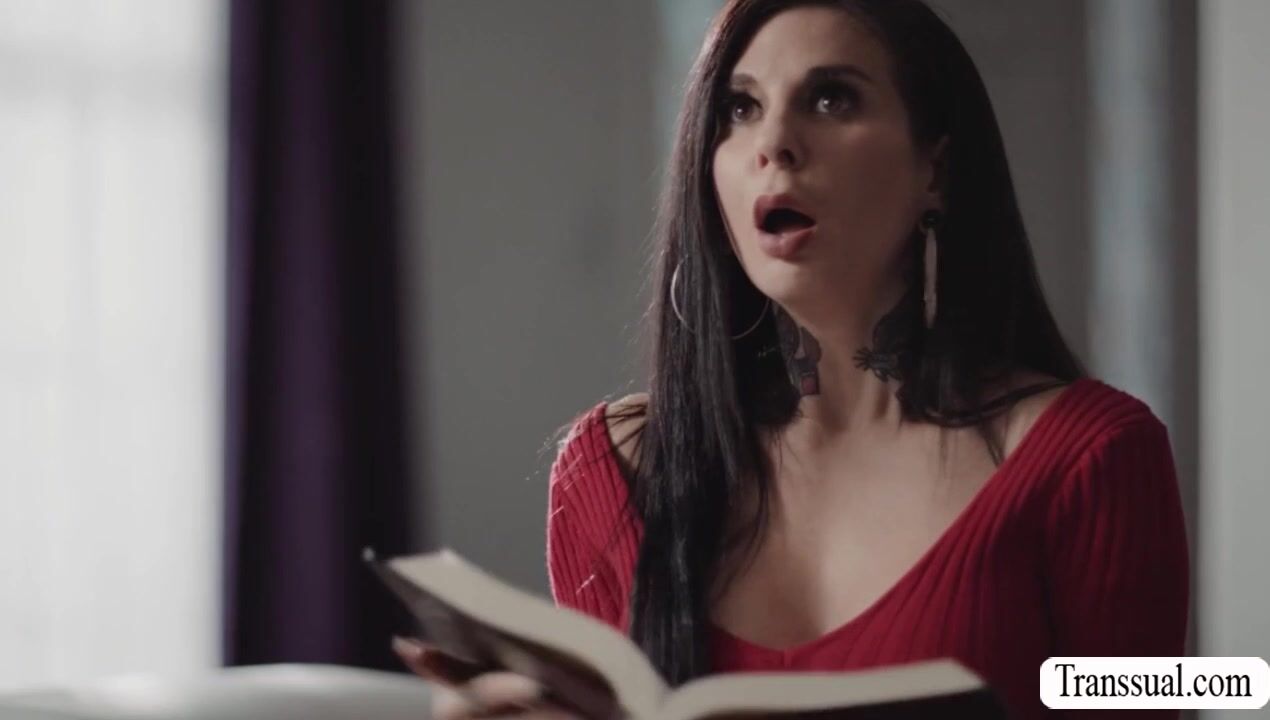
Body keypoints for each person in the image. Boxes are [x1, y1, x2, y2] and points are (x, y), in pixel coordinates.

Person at [396, 0, 1191, 718]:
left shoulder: (1094, 455)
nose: (773, 144)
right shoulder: (614, 472)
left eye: (832, 98)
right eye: (738, 109)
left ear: (937, 169)